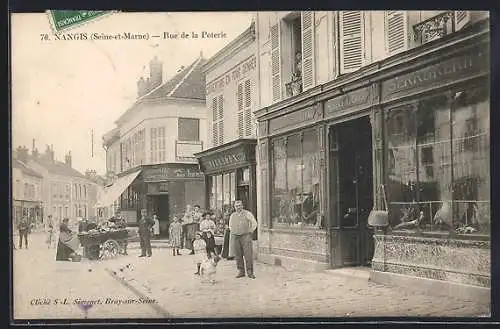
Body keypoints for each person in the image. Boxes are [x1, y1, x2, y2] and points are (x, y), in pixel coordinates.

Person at [229, 200, 258, 279]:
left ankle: (250, 272)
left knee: (248, 254)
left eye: (239, 205)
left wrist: (250, 231)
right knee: (238, 254)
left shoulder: (247, 213)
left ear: (242, 206)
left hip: (246, 236)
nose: (238, 207)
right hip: (236, 236)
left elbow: (254, 223)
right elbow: (230, 225)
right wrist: (234, 231)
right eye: (236, 206)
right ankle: (241, 271)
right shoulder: (232, 215)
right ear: (234, 207)